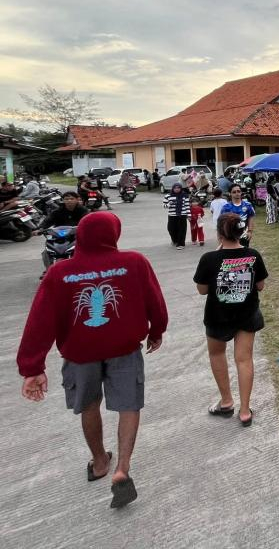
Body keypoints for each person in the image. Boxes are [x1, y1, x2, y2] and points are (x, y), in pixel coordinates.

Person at [17, 212, 168, 509]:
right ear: (114, 234)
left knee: (89, 406)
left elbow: (39, 322)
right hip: (124, 349)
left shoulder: (59, 273)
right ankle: (122, 467)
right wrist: (156, 330)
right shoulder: (135, 262)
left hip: (79, 354)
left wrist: (32, 367)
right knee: (128, 404)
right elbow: (156, 302)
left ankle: (99, 462)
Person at [193, 213, 268, 427]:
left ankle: (226, 402)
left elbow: (202, 290)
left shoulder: (209, 259)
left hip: (218, 316)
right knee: (244, 360)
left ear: (219, 234)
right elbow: (260, 285)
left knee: (217, 354)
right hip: (247, 314)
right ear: (240, 232)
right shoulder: (253, 255)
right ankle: (245, 411)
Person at [163, 183, 190, 249]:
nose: (177, 189)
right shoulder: (168, 196)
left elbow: (187, 205)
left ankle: (181, 244)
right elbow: (164, 206)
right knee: (171, 229)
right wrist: (169, 204)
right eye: (175, 188)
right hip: (172, 215)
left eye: (178, 188)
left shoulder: (185, 195)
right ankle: (175, 240)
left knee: (182, 230)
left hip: (182, 215)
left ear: (181, 188)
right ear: (173, 188)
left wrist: (189, 215)